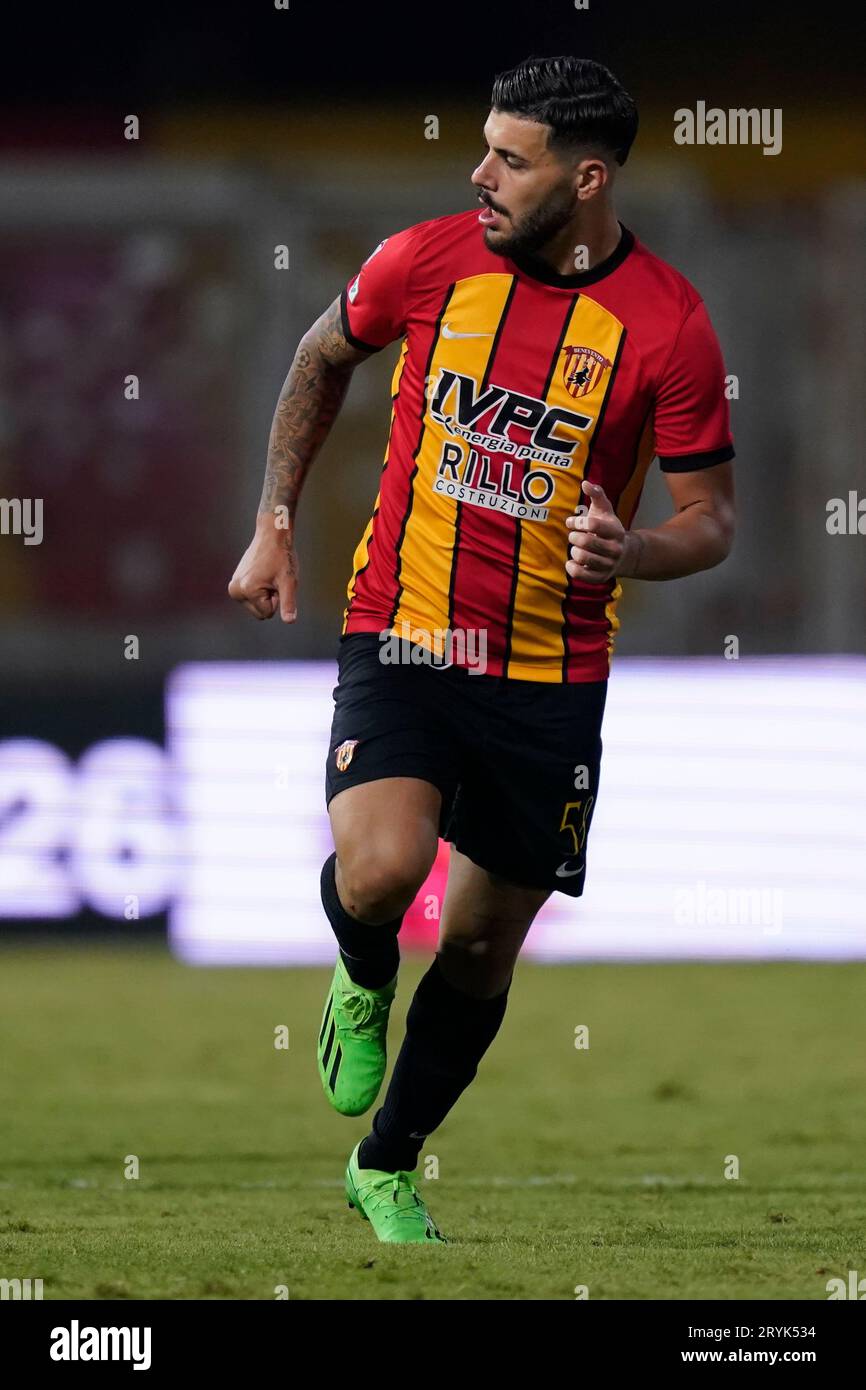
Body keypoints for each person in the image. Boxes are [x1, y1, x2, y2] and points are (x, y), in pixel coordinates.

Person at [228, 54, 735, 1243]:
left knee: (475, 944)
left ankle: (385, 1163)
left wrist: (635, 550)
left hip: (549, 678)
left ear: (587, 178)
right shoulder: (425, 259)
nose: (480, 175)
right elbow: (319, 357)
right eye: (484, 149)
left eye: (510, 159)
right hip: (403, 629)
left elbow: (710, 520)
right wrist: (273, 521)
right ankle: (361, 972)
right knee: (379, 873)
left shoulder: (668, 325)